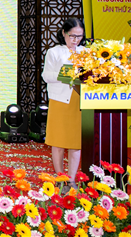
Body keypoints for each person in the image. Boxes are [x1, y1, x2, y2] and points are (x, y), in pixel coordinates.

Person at [42, 18, 86, 190]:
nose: (75, 40)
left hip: (80, 100)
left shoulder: (86, 52)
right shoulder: (54, 52)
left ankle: (72, 179)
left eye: (79, 36)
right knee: (58, 141)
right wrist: (65, 74)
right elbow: (46, 76)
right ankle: (61, 177)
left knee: (76, 142)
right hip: (60, 99)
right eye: (72, 36)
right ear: (63, 33)